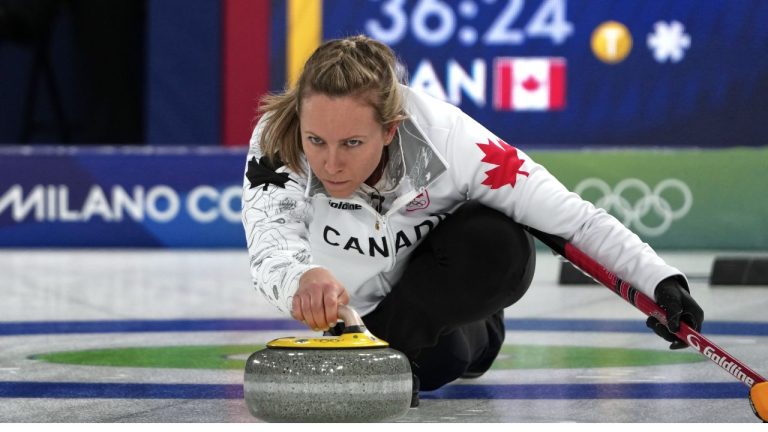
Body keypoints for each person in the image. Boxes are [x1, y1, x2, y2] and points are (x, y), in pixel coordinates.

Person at [241, 35, 704, 407]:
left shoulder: (453, 142)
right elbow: (270, 239)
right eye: (317, 140)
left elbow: (573, 222)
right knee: (446, 359)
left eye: (352, 144)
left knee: (498, 243)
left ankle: (436, 342)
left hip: (436, 289)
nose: (330, 164)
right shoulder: (279, 139)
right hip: (363, 311)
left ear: (390, 128)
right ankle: (398, 349)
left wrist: (658, 281)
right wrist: (303, 276)